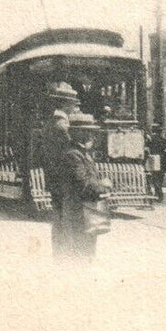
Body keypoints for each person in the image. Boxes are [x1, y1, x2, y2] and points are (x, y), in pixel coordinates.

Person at [51, 112, 112, 261]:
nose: (92, 136)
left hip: (83, 212)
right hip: (78, 213)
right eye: (89, 132)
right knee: (80, 254)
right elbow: (84, 185)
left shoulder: (82, 153)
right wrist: (103, 186)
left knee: (85, 251)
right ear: (80, 133)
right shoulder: (73, 155)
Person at [146, 127, 166, 202]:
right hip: (161, 161)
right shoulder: (163, 140)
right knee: (160, 178)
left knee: (154, 178)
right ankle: (158, 194)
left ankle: (157, 194)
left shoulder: (150, 139)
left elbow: (147, 149)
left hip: (152, 160)